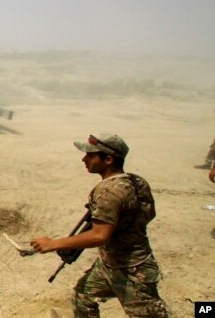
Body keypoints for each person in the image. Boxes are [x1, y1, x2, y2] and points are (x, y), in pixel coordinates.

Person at [30, 134, 169, 317]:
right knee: (82, 296)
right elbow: (149, 214)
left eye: (90, 155)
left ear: (108, 159)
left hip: (132, 270)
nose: (84, 159)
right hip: (109, 264)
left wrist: (53, 243)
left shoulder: (107, 192)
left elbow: (99, 235)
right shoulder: (137, 181)